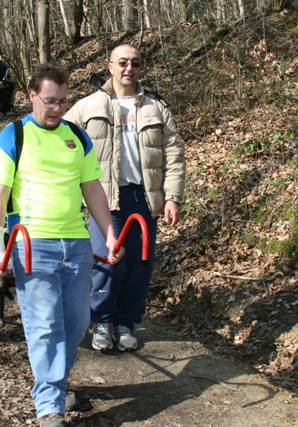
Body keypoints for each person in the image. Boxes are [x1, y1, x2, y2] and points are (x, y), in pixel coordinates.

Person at [0, 63, 124, 427]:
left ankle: (56, 381)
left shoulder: (77, 137)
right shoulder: (13, 135)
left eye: (63, 101)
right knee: (45, 325)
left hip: (75, 243)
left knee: (77, 325)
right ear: (32, 96)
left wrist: (108, 231)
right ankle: (50, 405)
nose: (58, 108)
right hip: (32, 243)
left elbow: (92, 188)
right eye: (50, 101)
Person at [65, 44, 186, 352]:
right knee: (106, 262)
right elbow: (61, 140)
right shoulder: (88, 105)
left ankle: (126, 323)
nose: (128, 68)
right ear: (110, 67)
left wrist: (172, 197)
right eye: (122, 62)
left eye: (135, 63)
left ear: (141, 68)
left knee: (139, 263)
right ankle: (102, 322)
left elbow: (174, 155)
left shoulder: (156, 108)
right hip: (104, 196)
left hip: (144, 197)